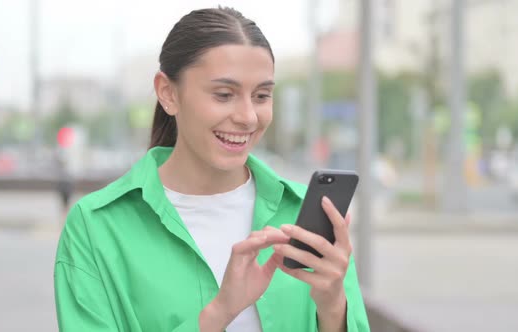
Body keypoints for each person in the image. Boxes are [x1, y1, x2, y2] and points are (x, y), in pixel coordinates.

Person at [54, 7, 370, 332]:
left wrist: (334, 309)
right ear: (168, 93)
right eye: (224, 94)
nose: (248, 116)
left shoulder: (305, 213)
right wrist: (219, 312)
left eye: (262, 95)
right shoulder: (96, 227)